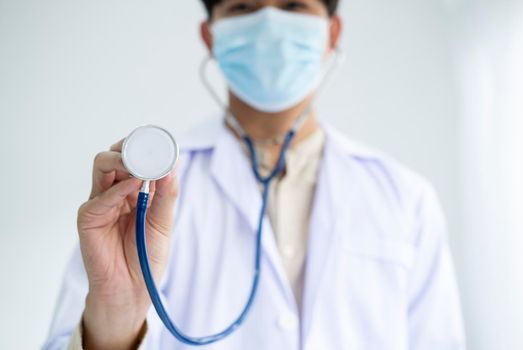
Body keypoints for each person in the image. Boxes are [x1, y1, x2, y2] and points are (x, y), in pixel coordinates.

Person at [43, 0, 465, 349]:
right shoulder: (140, 196)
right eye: (243, 6)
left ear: (332, 34)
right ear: (209, 36)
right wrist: (118, 313)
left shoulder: (405, 198)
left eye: (293, 5)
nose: (268, 24)